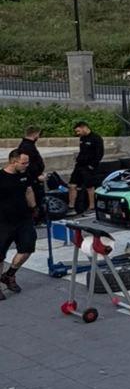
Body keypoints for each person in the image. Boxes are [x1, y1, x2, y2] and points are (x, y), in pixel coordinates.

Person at [0, 148, 37, 296]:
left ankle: (9, 275)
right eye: (24, 163)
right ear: (13, 162)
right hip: (3, 222)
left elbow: (28, 191)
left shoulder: (24, 175)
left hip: (23, 219)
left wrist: (34, 208)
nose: (26, 165)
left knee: (27, 249)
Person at [67, 120, 105, 214]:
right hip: (79, 165)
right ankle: (71, 207)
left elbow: (99, 154)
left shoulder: (96, 138)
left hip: (89, 166)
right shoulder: (82, 138)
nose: (77, 133)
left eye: (78, 131)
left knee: (89, 187)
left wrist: (92, 166)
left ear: (84, 127)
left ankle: (91, 207)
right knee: (72, 185)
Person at [15, 125, 45, 221]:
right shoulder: (27, 147)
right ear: (35, 134)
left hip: (34, 177)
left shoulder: (28, 145)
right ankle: (36, 219)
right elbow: (28, 166)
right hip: (32, 179)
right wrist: (36, 177)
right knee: (35, 199)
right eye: (38, 135)